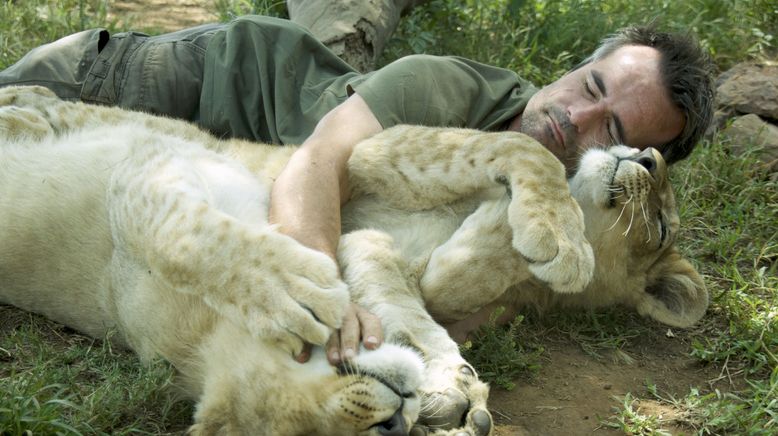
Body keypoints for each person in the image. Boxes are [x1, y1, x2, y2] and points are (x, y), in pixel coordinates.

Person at [0, 15, 714, 363]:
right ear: (571, 68)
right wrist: (329, 304)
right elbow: (314, 168)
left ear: (639, 163)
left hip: (217, 147)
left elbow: (459, 296)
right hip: (192, 82)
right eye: (589, 88)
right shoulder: (445, 85)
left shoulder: (567, 206)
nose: (574, 120)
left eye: (611, 130)